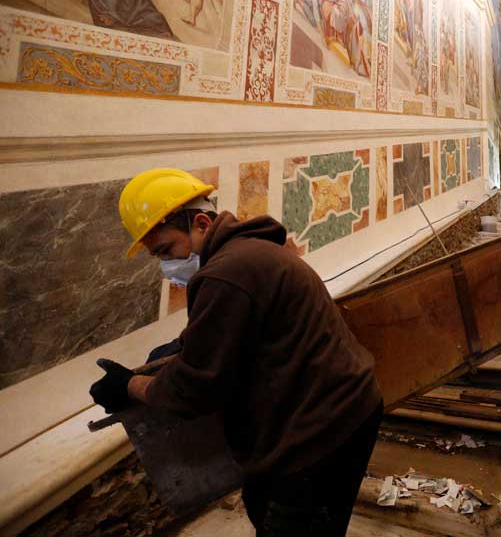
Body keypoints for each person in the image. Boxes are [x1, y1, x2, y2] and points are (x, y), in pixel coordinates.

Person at [89, 168, 383, 536]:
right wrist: (187, 345)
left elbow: (193, 391)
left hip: (317, 432)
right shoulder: (253, 250)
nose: (167, 266)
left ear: (200, 223)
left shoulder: (225, 274)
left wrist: (128, 384)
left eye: (167, 250)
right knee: (269, 502)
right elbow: (241, 330)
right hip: (346, 411)